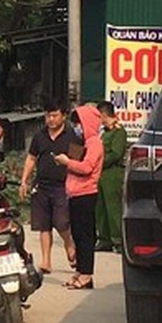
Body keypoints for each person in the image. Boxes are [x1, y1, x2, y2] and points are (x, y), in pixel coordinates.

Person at [18, 101, 76, 274]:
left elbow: (77, 161)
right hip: (41, 185)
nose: (50, 119)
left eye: (54, 115)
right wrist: (24, 181)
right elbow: (31, 158)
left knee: (61, 222)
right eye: (47, 116)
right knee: (43, 225)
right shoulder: (39, 136)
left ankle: (69, 243)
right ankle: (46, 261)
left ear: (63, 116)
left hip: (63, 186)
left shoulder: (72, 136)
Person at [54, 104, 103, 290]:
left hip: (86, 194)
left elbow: (86, 167)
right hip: (75, 194)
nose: (77, 127)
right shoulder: (81, 142)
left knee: (85, 236)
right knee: (77, 234)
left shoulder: (94, 143)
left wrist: (67, 162)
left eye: (79, 123)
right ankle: (80, 271)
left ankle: (86, 275)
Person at [94, 101, 127, 253]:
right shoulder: (103, 132)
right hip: (100, 173)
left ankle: (118, 239)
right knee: (100, 207)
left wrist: (100, 161)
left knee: (113, 207)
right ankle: (104, 239)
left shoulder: (118, 131)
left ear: (105, 115)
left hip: (112, 172)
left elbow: (116, 153)